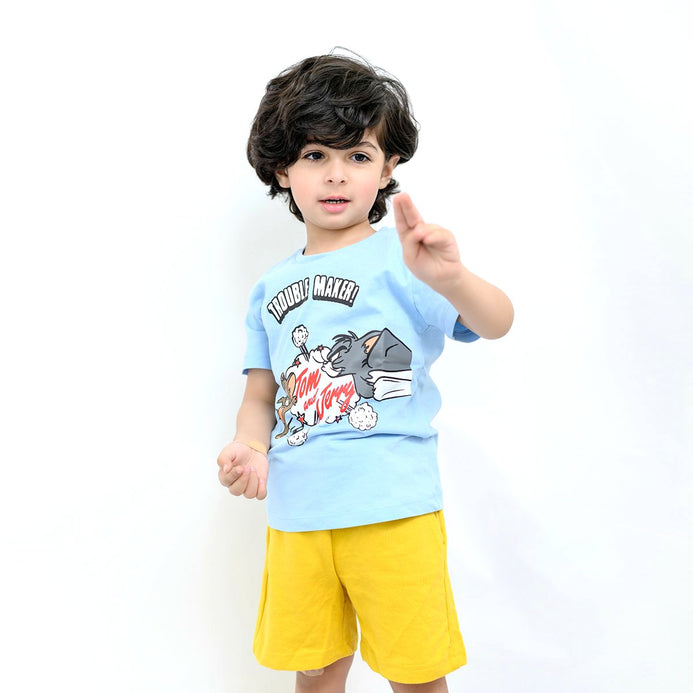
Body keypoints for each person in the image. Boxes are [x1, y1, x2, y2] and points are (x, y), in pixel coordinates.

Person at [217, 52, 514, 693]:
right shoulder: (269, 289)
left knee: (414, 672)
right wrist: (248, 446)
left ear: (388, 169)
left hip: (393, 507)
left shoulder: (408, 259)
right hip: (299, 513)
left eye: (357, 155)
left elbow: (496, 322)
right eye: (315, 154)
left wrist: (453, 278)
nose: (336, 173)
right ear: (283, 169)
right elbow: (260, 396)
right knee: (315, 668)